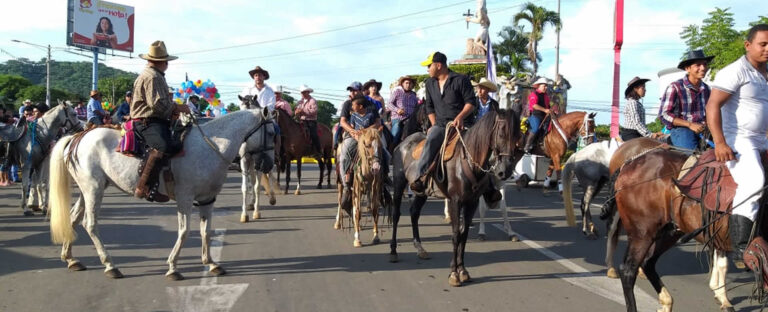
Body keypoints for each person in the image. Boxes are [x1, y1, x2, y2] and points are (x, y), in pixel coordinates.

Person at [706, 24, 768, 268]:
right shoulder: (734, 71)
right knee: (754, 181)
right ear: (748, 45)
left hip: (761, 137)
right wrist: (720, 143)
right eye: (763, 44)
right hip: (738, 139)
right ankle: (741, 244)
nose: (767, 49)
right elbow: (713, 106)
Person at [410, 51, 476, 193]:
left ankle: (489, 185)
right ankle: (420, 176)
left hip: (463, 123)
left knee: (481, 143)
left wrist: (460, 117)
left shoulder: (461, 79)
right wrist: (433, 124)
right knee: (432, 137)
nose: (427, 69)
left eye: (429, 66)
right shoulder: (429, 83)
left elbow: (471, 102)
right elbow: (429, 107)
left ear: (438, 65)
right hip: (441, 125)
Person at [130, 40, 185, 203]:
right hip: (147, 121)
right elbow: (158, 104)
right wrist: (178, 108)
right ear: (163, 62)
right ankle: (144, 187)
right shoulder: (152, 77)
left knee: (177, 142)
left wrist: (173, 109)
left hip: (154, 119)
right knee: (163, 146)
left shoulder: (154, 75)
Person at [658, 49, 713, 150]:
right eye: (698, 65)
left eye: (705, 64)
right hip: (682, 129)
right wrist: (690, 125)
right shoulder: (675, 87)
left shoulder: (707, 89)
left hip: (704, 130)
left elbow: (711, 112)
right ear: (688, 68)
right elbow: (664, 114)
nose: (703, 68)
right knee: (692, 158)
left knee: (724, 151)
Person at [338, 81, 382, 203]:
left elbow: (378, 122)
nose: (352, 92)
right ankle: (346, 185)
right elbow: (343, 122)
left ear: (361, 91)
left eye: (355, 90)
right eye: (351, 90)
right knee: (343, 157)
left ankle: (383, 180)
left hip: (370, 135)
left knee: (385, 153)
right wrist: (353, 132)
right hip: (353, 135)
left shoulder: (371, 105)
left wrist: (367, 131)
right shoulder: (348, 104)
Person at [620, 77, 661, 141]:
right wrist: (650, 135)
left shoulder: (637, 103)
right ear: (635, 89)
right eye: (643, 87)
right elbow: (637, 122)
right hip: (631, 134)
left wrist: (650, 133)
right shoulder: (632, 103)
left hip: (638, 133)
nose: (645, 90)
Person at [386, 75, 419, 146]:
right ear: (402, 84)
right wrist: (397, 110)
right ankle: (391, 147)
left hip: (410, 119)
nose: (408, 85)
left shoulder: (414, 95)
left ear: (412, 85)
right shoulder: (397, 92)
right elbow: (389, 103)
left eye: (410, 83)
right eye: (406, 83)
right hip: (398, 118)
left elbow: (417, 107)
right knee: (396, 131)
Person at [523, 77, 551, 154]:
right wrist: (545, 110)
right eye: (544, 86)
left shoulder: (546, 96)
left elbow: (548, 106)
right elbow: (534, 105)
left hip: (544, 116)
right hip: (535, 116)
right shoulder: (534, 94)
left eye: (546, 86)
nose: (546, 87)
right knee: (535, 128)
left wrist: (552, 110)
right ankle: (527, 146)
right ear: (538, 86)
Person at [295, 84, 321, 157]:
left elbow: (314, 111)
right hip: (301, 121)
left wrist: (302, 111)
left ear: (308, 92)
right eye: (302, 92)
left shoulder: (313, 101)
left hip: (311, 121)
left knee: (314, 134)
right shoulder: (299, 102)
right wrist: (296, 112)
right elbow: (296, 110)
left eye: (304, 92)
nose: (302, 94)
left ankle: (318, 151)